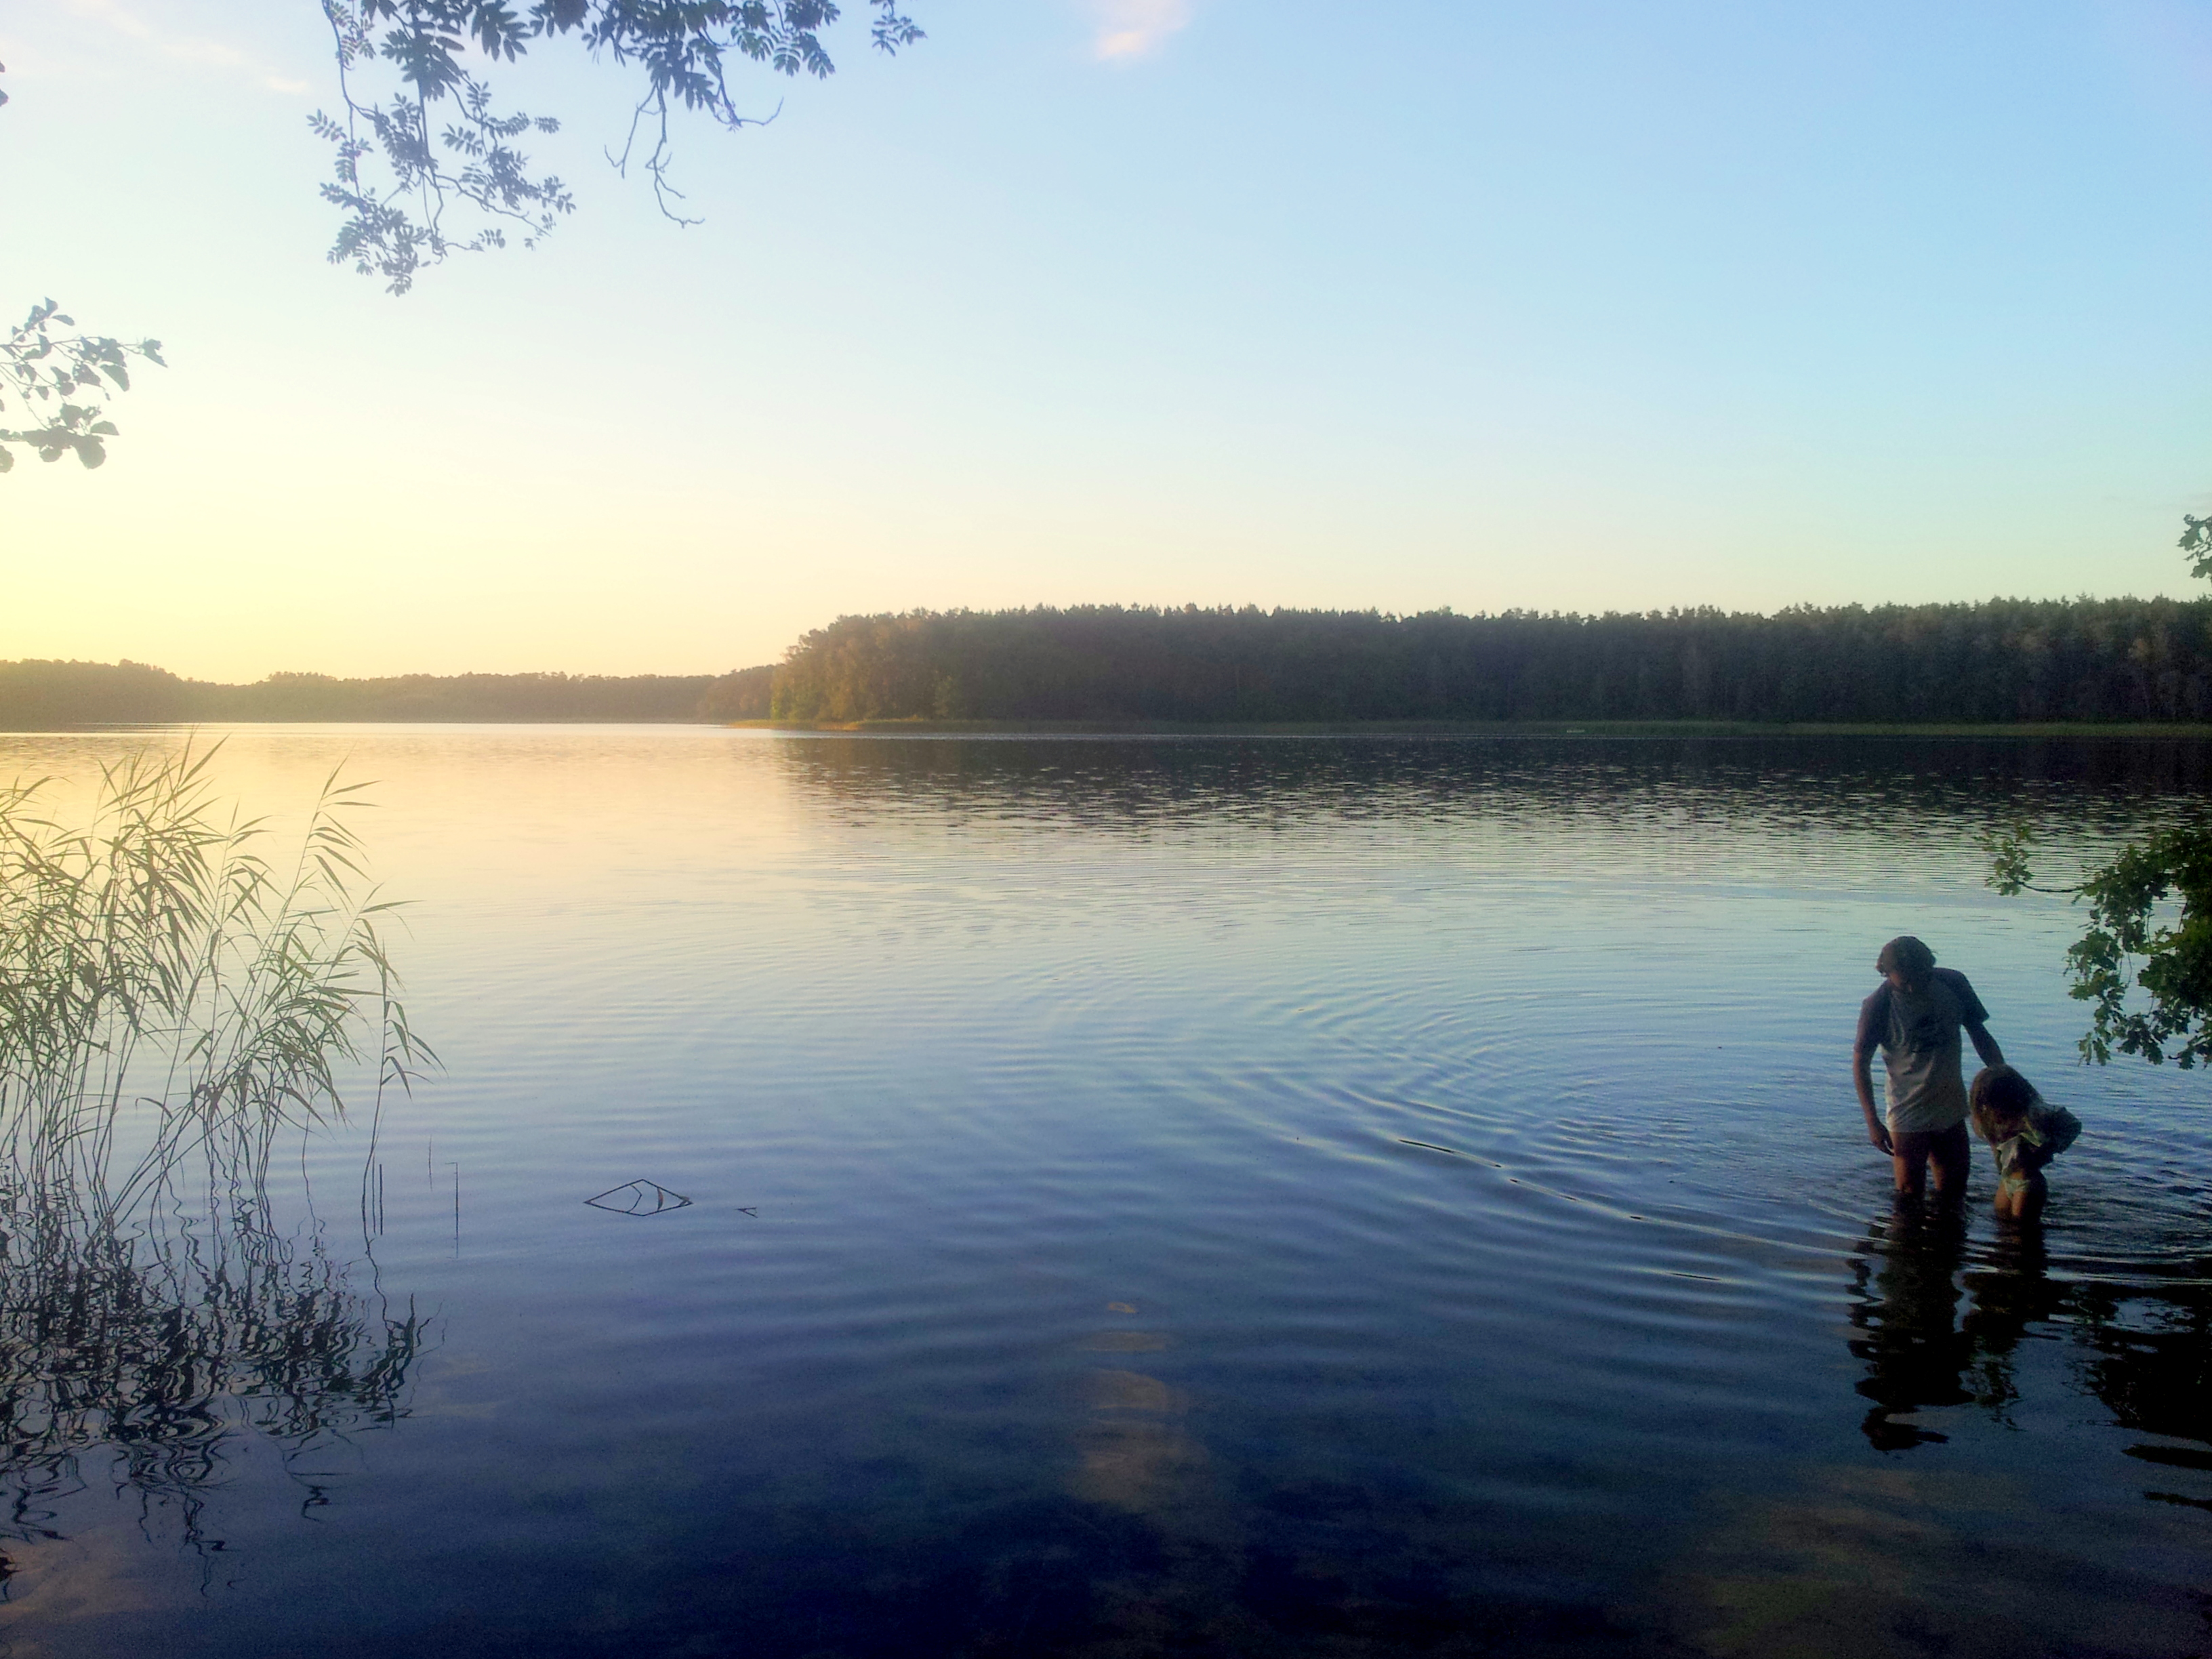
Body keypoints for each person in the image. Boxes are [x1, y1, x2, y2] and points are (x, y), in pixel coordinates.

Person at [1853, 936, 2004, 1197]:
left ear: (1930, 967)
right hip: (1906, 1110)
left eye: (1919, 977)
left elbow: (1979, 1033)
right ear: (1886, 973)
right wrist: (1873, 1122)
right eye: (1904, 981)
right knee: (1908, 1196)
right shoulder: (1878, 1005)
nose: (1912, 988)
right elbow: (1860, 1062)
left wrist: (2001, 1076)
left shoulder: (1953, 984)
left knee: (1954, 1192)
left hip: (1951, 1104)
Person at [1968, 1063, 2081, 1223]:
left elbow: (2072, 1125)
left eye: (1992, 1104)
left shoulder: (2035, 1113)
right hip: (2008, 1179)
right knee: (2001, 1224)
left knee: (2021, 1231)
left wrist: (2050, 1147)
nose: (1988, 1109)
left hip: (2029, 1180)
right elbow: (1996, 1146)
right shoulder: (1991, 1118)